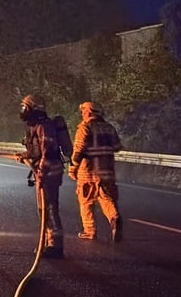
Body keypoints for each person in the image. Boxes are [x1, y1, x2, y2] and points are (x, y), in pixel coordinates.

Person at [18, 94, 68, 259]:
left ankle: (55, 246)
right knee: (44, 209)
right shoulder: (37, 125)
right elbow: (37, 150)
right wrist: (25, 155)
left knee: (50, 209)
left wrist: (42, 171)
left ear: (32, 108)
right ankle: (49, 243)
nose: (22, 110)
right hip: (44, 172)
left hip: (49, 173)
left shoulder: (44, 126)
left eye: (25, 107)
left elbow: (48, 151)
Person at [69, 101, 123, 242]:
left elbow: (78, 151)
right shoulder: (109, 128)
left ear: (89, 112)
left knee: (86, 202)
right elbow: (117, 146)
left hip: (88, 172)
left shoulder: (84, 128)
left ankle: (90, 231)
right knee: (107, 199)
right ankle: (114, 218)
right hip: (107, 172)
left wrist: (72, 168)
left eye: (84, 111)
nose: (82, 114)